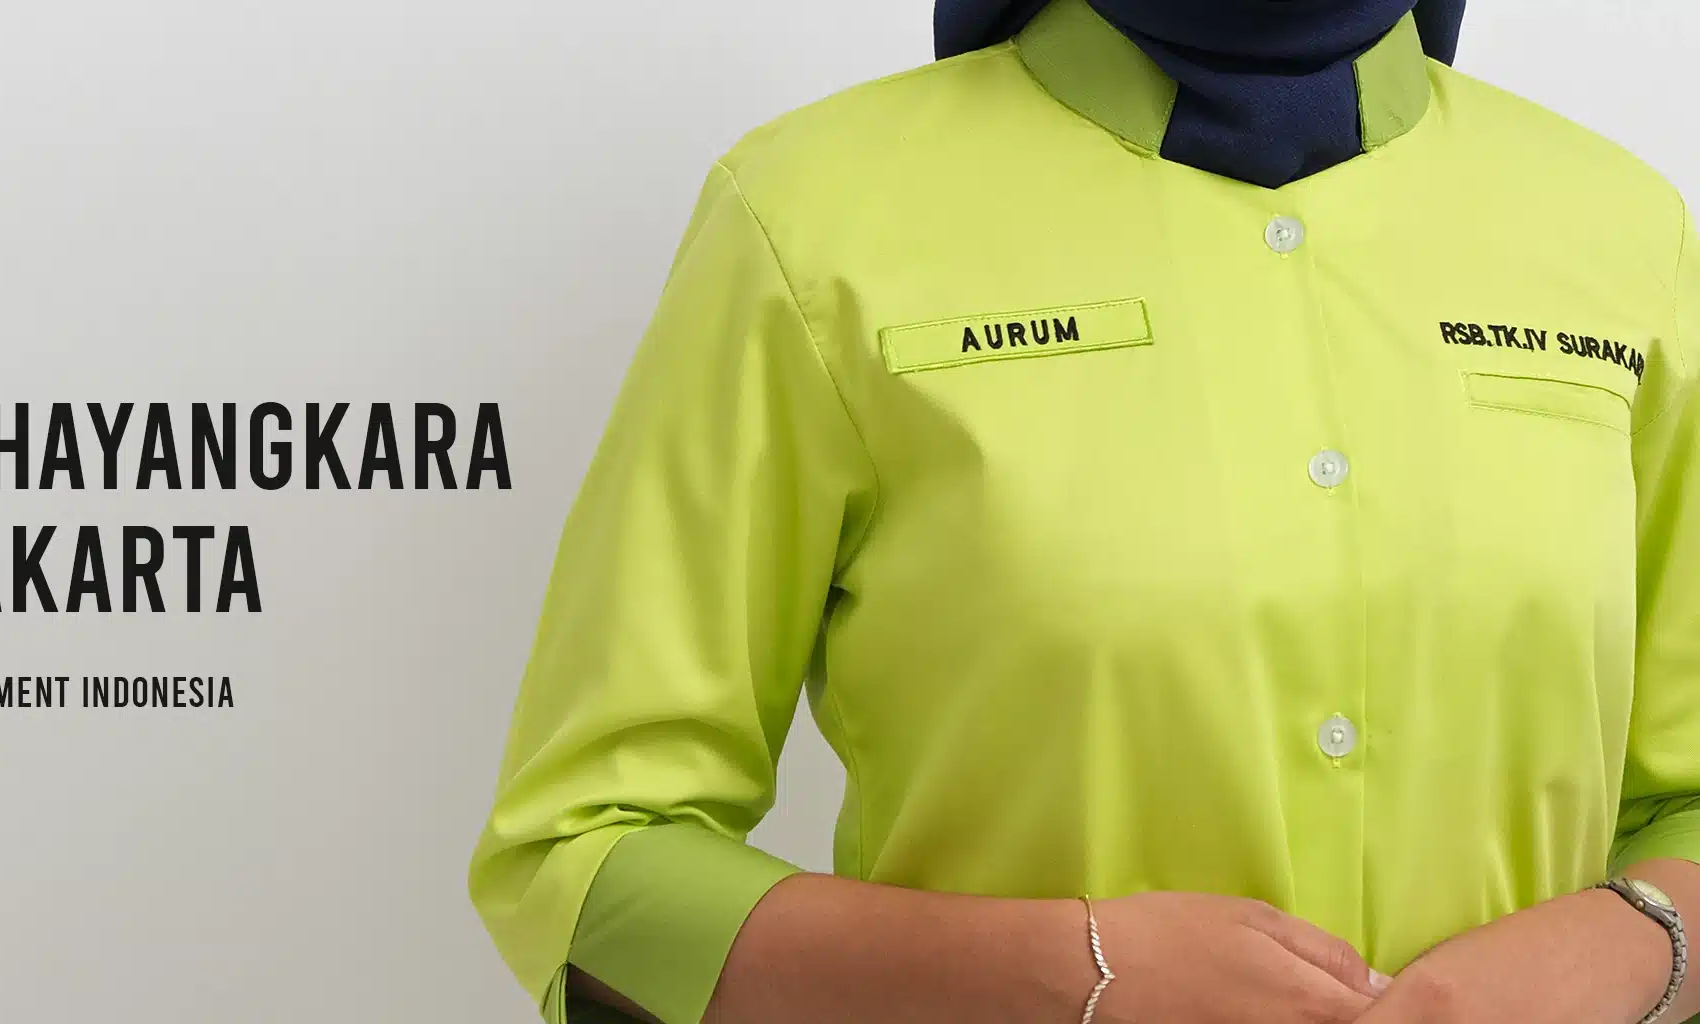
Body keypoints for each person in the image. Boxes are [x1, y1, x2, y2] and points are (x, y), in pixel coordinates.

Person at [469, 0, 1700, 1020]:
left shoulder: (1620, 232)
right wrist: (1063, 972)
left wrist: (1619, 945)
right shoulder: (809, 217)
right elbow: (584, 854)